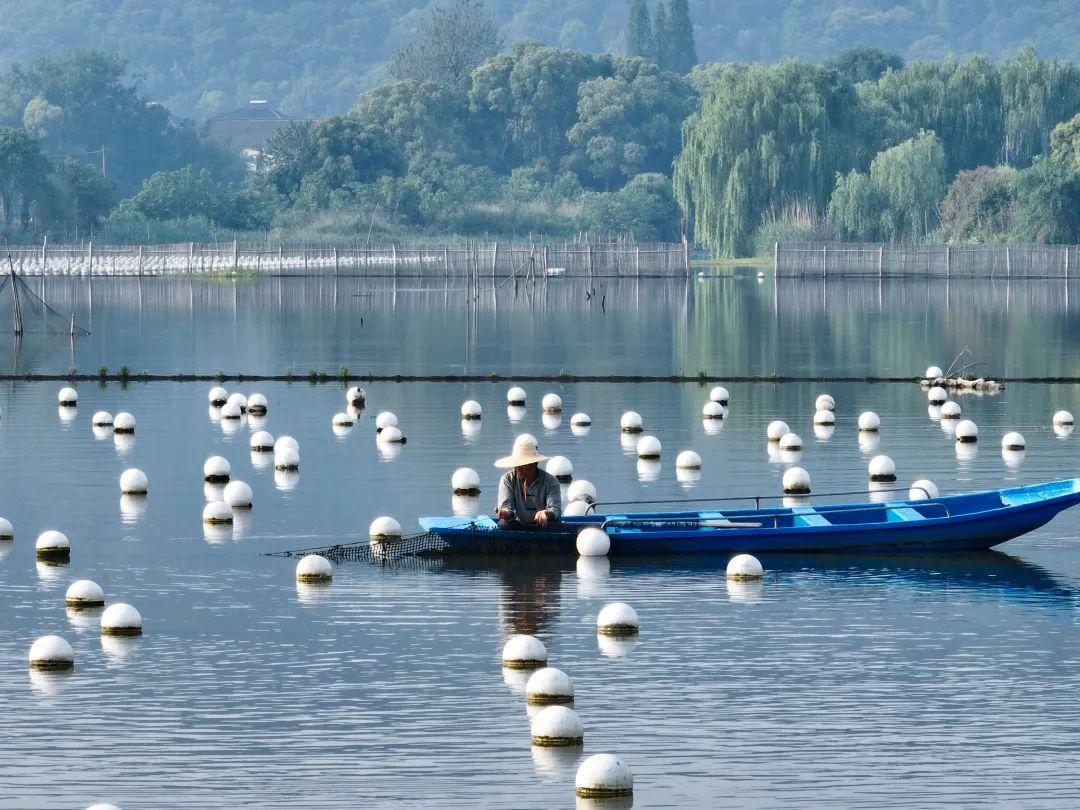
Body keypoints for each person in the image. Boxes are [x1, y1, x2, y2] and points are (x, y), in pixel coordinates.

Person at [494, 434, 562, 531]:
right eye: (517, 465)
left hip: (544, 525)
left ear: (534, 464)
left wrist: (545, 514)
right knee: (504, 524)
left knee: (554, 526)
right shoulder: (507, 479)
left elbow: (555, 510)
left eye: (523, 465)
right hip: (518, 525)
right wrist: (505, 513)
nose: (518, 468)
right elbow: (506, 507)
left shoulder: (551, 482)